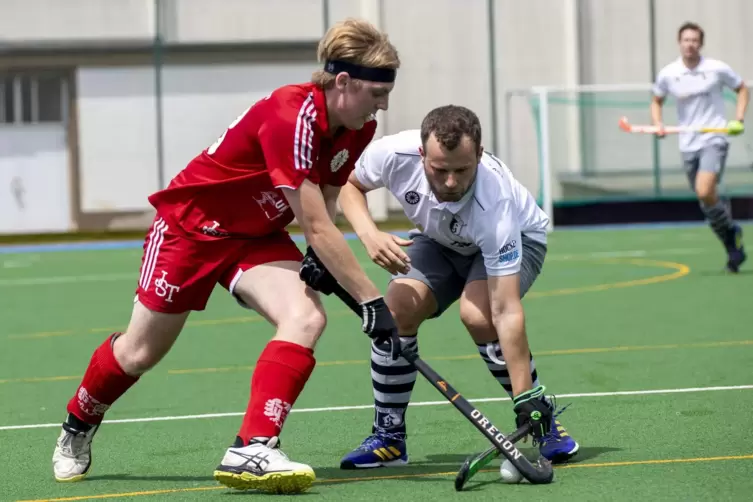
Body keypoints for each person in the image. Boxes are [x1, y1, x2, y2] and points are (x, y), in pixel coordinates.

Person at [51, 18, 402, 495]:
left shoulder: (358, 126)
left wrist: (324, 257)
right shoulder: (290, 114)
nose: (382, 104)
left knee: (305, 316)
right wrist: (371, 301)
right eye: (376, 93)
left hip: (255, 236)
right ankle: (79, 419)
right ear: (342, 82)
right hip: (191, 229)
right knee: (140, 352)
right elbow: (315, 225)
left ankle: (253, 446)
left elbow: (328, 196)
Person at [302, 105, 580, 469]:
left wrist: (524, 394)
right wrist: (368, 233)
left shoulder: (496, 204)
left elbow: (505, 309)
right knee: (397, 309)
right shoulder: (394, 153)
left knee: (479, 315)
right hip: (438, 241)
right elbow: (351, 184)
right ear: (422, 154)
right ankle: (389, 437)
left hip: (518, 242)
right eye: (440, 170)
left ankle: (538, 413)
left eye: (462, 170)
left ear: (479, 155)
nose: (451, 182)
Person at [651, 21, 748, 272]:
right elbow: (656, 100)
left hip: (713, 139)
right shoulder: (669, 74)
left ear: (700, 44)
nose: (690, 44)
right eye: (686, 40)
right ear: (679, 43)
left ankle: (730, 236)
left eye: (694, 40)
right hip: (688, 143)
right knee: (706, 201)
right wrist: (658, 124)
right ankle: (731, 240)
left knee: (705, 191)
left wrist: (738, 119)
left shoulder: (716, 68)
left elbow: (741, 88)